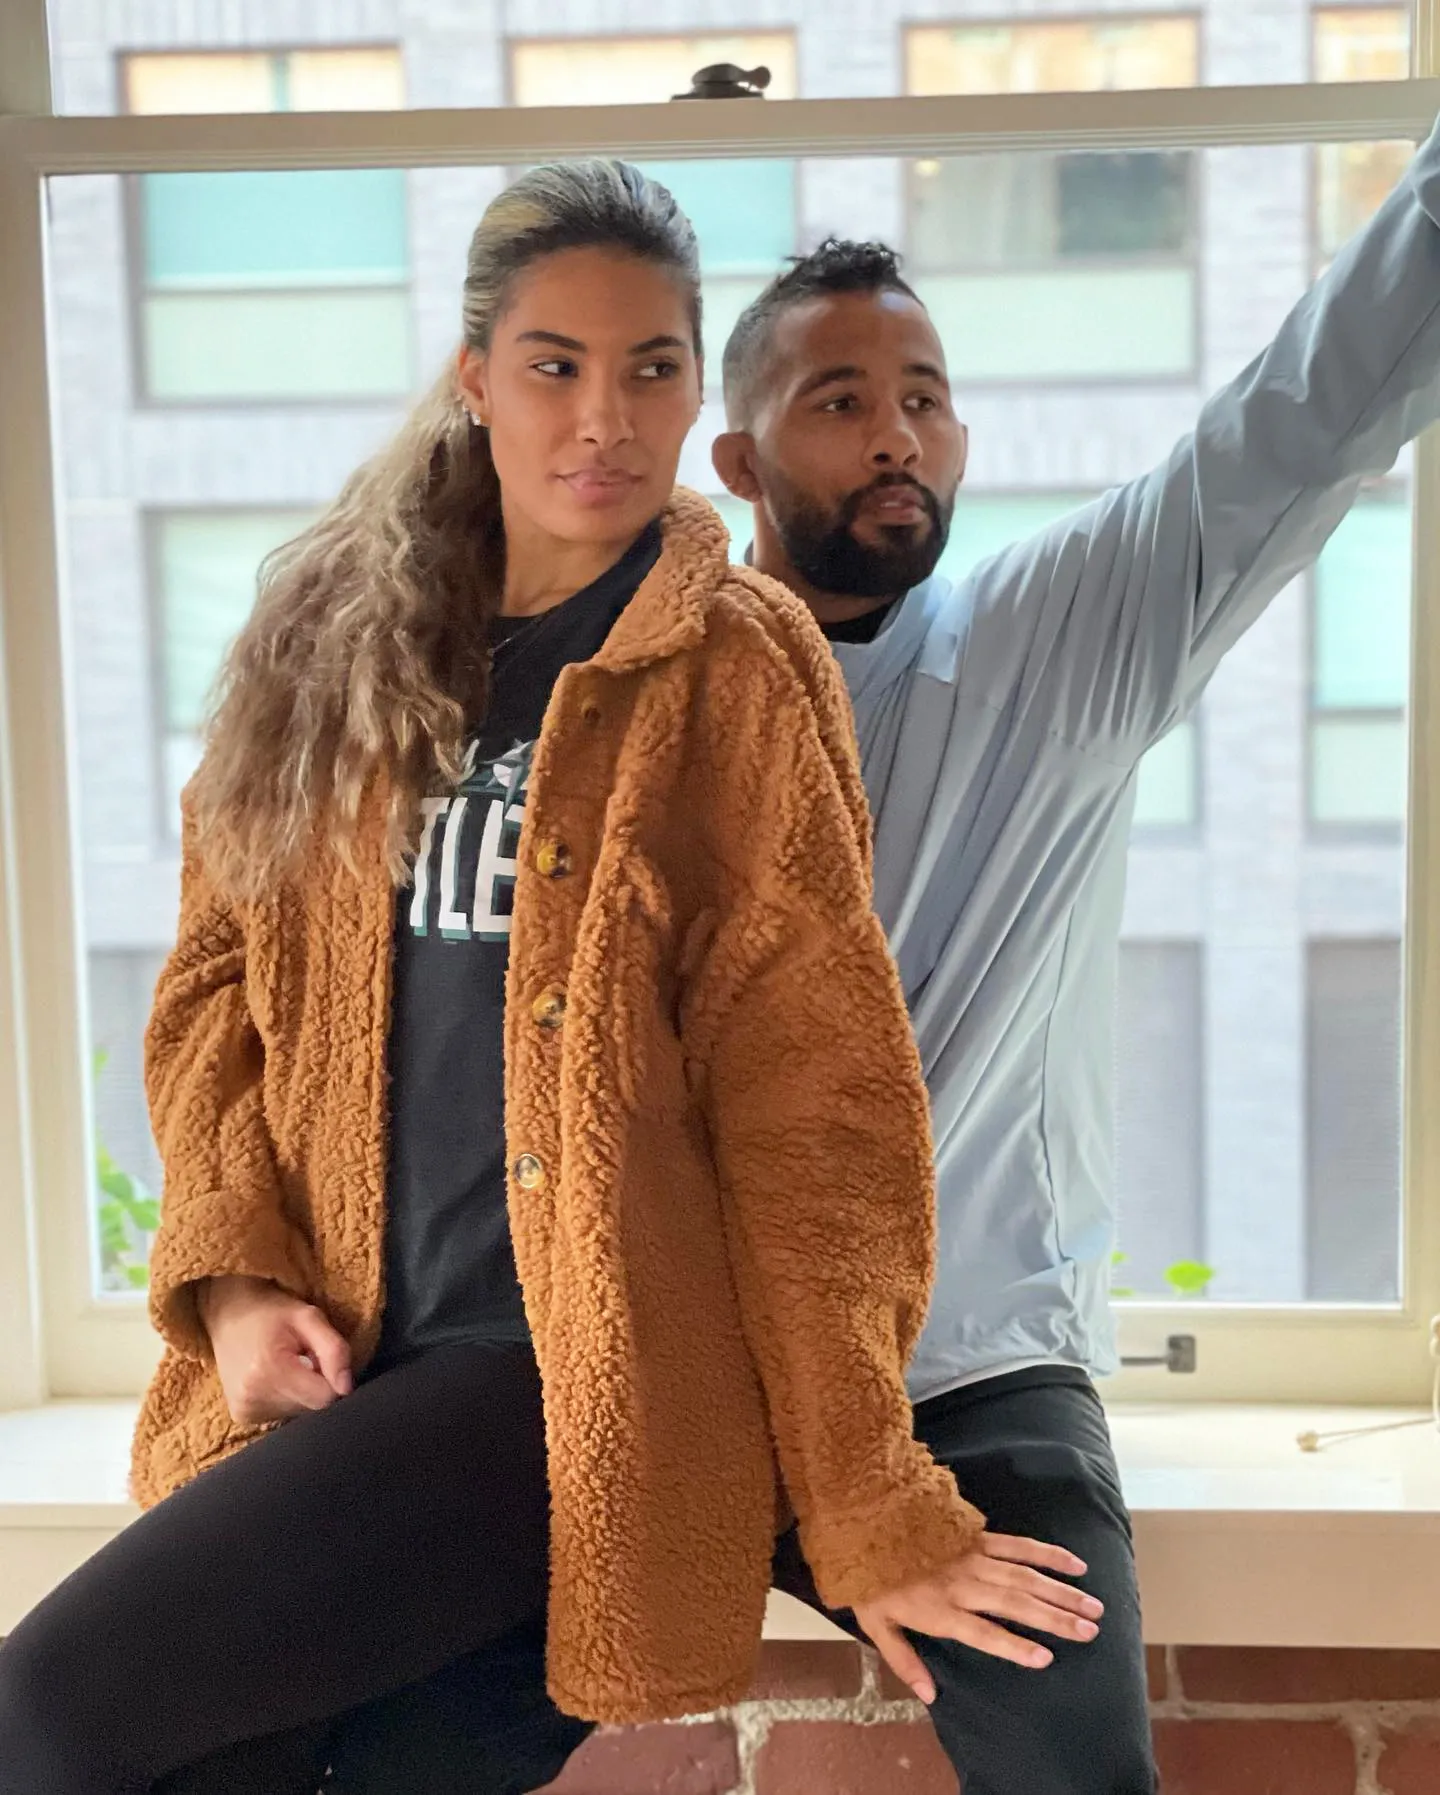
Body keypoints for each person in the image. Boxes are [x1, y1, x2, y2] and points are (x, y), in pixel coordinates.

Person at [0, 161, 1103, 1795]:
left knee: (48, 1711)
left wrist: (867, 1496)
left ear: (695, 391)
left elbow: (819, 1104)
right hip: (334, 1358)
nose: (605, 418)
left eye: (652, 366)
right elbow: (212, 992)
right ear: (476, 377)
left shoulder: (735, 665)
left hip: (563, 1375)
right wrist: (233, 1283)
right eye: (555, 364)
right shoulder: (325, 637)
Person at [703, 120, 1440, 1795]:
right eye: (839, 400)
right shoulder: (651, 696)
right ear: (739, 458)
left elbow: (1307, 415)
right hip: (705, 1367)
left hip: (973, 1371)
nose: (897, 433)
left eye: (925, 396)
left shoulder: (1056, 646)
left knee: (1075, 1751)